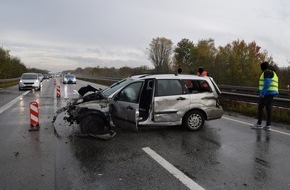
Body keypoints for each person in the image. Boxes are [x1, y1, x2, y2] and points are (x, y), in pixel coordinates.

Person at [251, 61, 279, 130]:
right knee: (268, 108)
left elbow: (267, 82)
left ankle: (259, 124)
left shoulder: (267, 72)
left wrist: (262, 93)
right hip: (272, 93)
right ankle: (268, 125)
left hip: (266, 93)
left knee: (260, 108)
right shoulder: (274, 73)